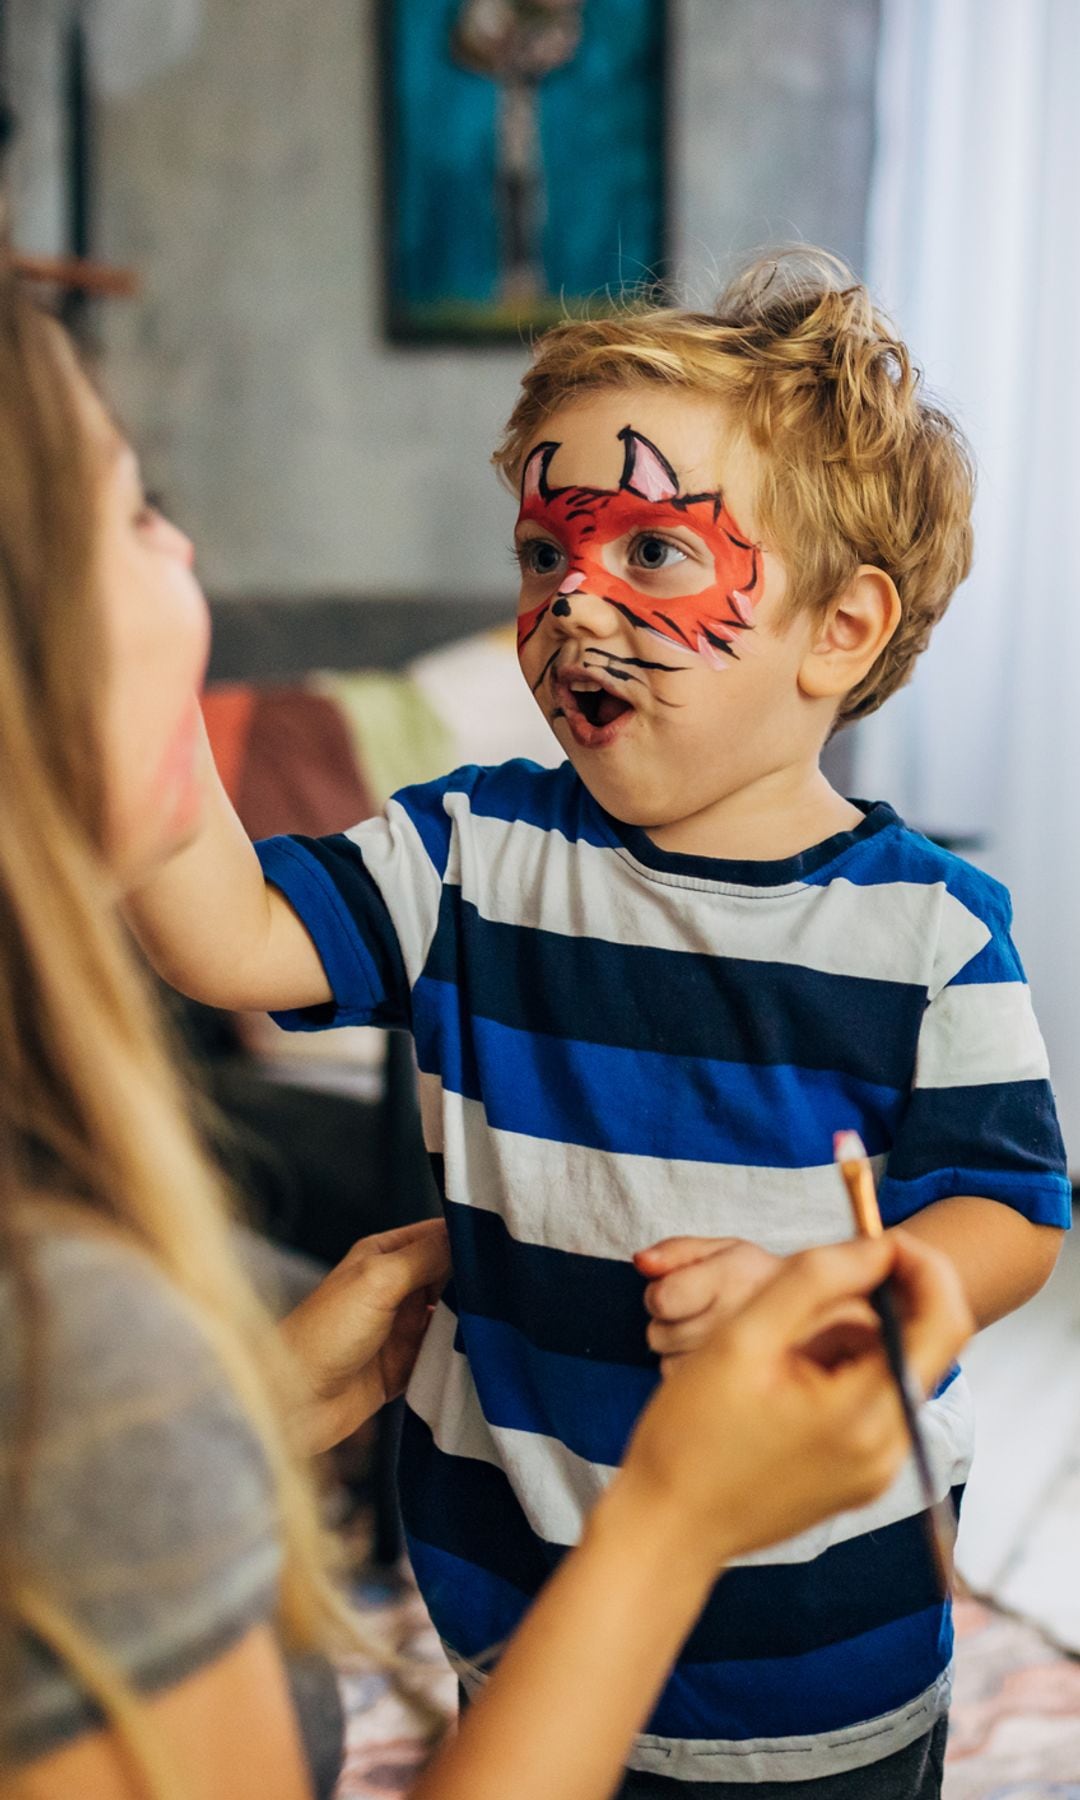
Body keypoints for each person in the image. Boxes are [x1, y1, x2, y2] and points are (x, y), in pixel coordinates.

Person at [0, 253, 974, 1800]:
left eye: (653, 547)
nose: (571, 595)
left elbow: (1012, 1213)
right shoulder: (467, 852)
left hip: (826, 1648)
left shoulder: (932, 927)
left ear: (841, 632)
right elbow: (230, 938)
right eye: (543, 547)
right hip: (519, 1623)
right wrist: (131, 682)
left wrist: (871, 1286)